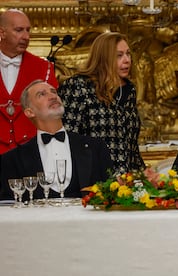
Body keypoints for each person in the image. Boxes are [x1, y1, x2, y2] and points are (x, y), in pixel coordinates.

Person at [0, 80, 113, 201]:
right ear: (30, 112)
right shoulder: (11, 160)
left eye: (54, 92)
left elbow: (109, 195)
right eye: (42, 94)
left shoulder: (96, 147)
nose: (53, 96)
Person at [58, 32, 145, 173]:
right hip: (92, 179)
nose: (127, 60)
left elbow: (131, 148)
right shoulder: (78, 86)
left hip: (126, 183)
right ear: (103, 58)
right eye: (119, 55)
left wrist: (143, 175)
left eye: (128, 54)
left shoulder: (130, 90)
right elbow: (67, 138)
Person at [0, 9, 58, 155]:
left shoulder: (44, 67)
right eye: (19, 30)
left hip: (31, 153)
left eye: (28, 30)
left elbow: (52, 113)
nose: (26, 36)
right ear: (2, 33)